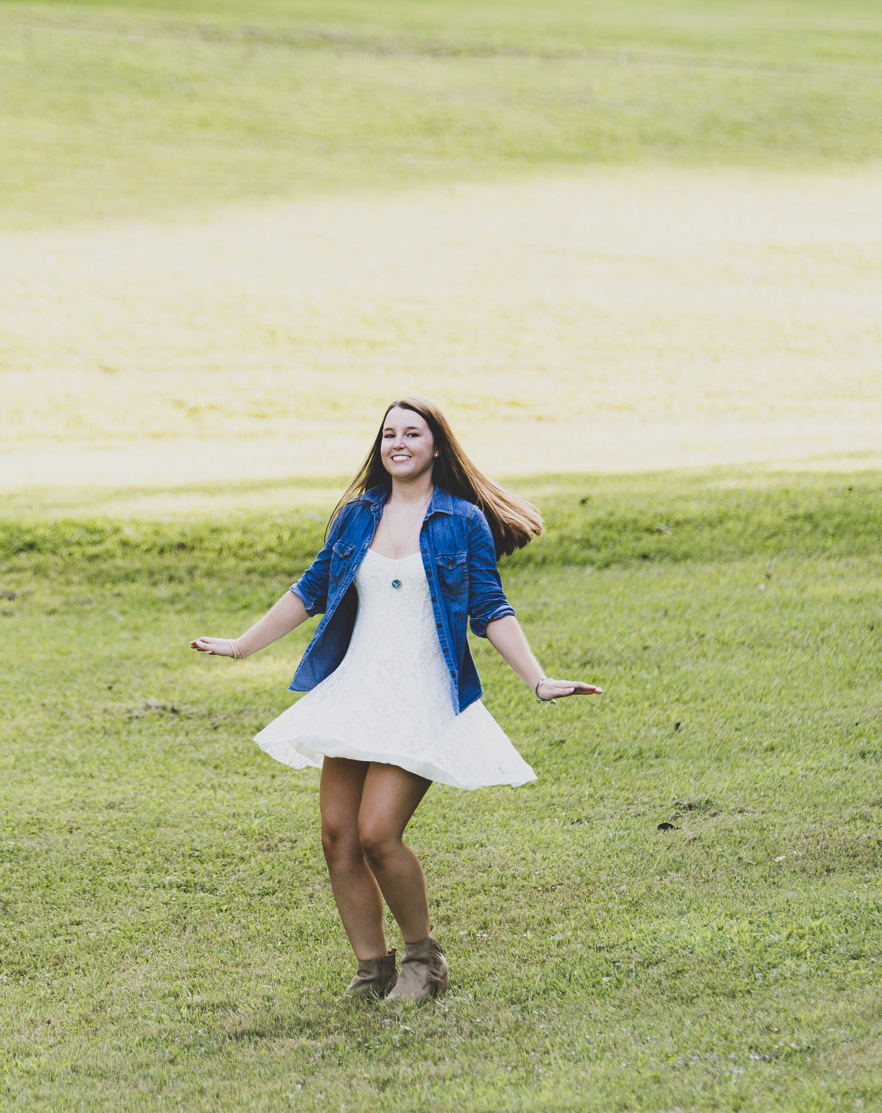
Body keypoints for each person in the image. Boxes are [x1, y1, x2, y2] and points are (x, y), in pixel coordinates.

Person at [191, 398, 599, 1003]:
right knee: (337, 836)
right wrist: (241, 647)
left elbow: (491, 609)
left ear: (438, 446)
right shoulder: (358, 515)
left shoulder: (461, 520)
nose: (399, 443)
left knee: (378, 832)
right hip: (357, 688)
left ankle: (422, 959)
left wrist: (538, 680)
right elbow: (312, 589)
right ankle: (372, 968)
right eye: (389, 434)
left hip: (421, 693)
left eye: (413, 433)